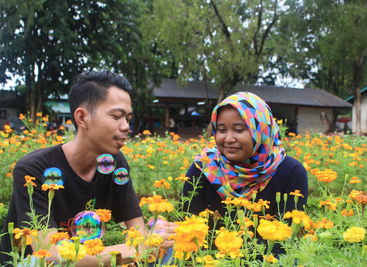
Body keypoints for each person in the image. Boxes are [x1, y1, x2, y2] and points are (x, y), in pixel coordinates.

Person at [0, 71, 174, 266]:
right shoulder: (33, 169)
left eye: (128, 118)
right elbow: (49, 254)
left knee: (169, 244)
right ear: (82, 118)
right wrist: (133, 250)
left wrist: (146, 245)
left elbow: (138, 233)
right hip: (30, 264)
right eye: (116, 116)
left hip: (89, 261)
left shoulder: (115, 163)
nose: (126, 126)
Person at [183, 91, 308, 254]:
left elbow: (286, 243)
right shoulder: (203, 168)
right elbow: (188, 230)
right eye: (221, 130)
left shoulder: (290, 172)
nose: (228, 138)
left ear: (261, 130)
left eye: (239, 130)